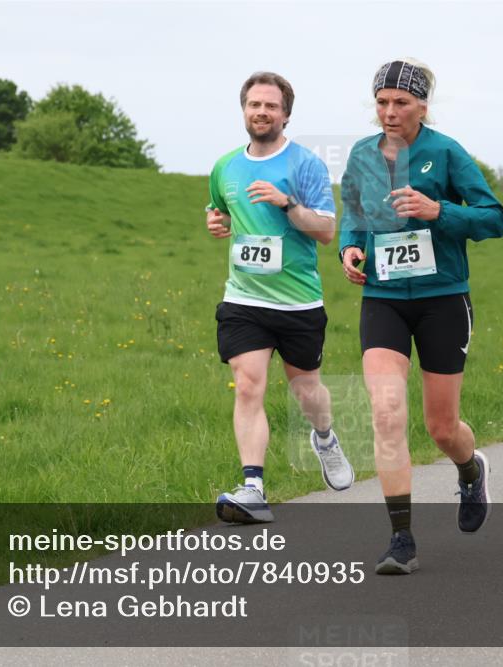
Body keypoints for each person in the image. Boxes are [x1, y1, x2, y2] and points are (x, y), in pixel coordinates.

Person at [339, 59, 503, 573]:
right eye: (382, 102)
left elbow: (494, 219)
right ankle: (401, 539)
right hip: (384, 299)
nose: (389, 112)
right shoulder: (362, 154)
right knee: (387, 413)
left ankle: (470, 469)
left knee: (440, 427)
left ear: (422, 106)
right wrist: (350, 248)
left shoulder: (447, 152)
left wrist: (440, 212)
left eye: (401, 102)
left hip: (442, 300)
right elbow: (354, 213)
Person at [208, 71, 354, 524]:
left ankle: (325, 438)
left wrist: (285, 203)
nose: (262, 112)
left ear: (286, 114)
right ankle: (253, 488)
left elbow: (327, 231)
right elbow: (219, 212)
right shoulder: (225, 166)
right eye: (255, 104)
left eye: (271, 106)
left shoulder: (306, 165)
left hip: (297, 301)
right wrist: (217, 225)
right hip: (245, 299)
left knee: (306, 390)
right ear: (244, 110)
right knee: (248, 383)